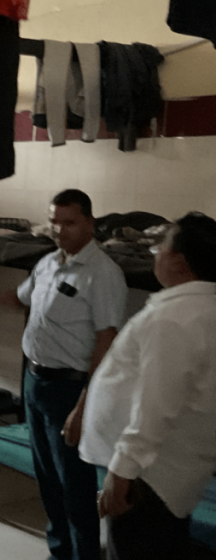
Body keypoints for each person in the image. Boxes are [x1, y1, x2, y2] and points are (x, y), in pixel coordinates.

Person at [0, 189, 128, 560]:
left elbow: (106, 341)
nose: (59, 230)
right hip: (35, 381)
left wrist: (83, 407)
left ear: (89, 223)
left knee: (74, 485)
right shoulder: (47, 263)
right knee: (48, 479)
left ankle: (84, 555)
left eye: (69, 223)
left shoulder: (102, 274)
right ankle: (60, 552)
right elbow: (21, 298)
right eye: (54, 222)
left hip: (69, 389)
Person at [81, 212, 216, 560]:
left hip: (150, 475)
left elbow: (156, 405)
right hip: (171, 469)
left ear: (179, 262)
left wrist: (123, 470)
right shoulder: (200, 309)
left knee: (137, 546)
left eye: (160, 248)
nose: (156, 254)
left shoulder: (173, 318)